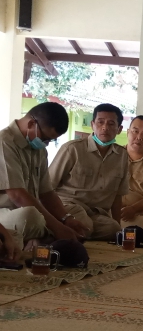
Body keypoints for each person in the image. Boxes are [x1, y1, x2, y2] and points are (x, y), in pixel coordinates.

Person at [0, 102, 89, 247]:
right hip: (7, 212)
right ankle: (45, 238)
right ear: (31, 124)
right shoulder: (4, 142)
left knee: (77, 214)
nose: (46, 143)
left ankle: (40, 238)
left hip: (34, 211)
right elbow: (17, 195)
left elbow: (46, 193)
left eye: (51, 140)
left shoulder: (39, 150)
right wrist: (58, 226)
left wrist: (66, 219)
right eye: (45, 138)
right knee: (29, 217)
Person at [49, 103, 129, 241]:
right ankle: (56, 232)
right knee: (85, 224)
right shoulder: (72, 149)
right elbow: (48, 185)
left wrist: (119, 230)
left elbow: (118, 196)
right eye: (100, 122)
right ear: (92, 124)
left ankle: (75, 234)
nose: (105, 127)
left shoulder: (122, 155)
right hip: (68, 206)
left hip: (95, 212)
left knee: (112, 229)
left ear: (119, 129)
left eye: (111, 123)